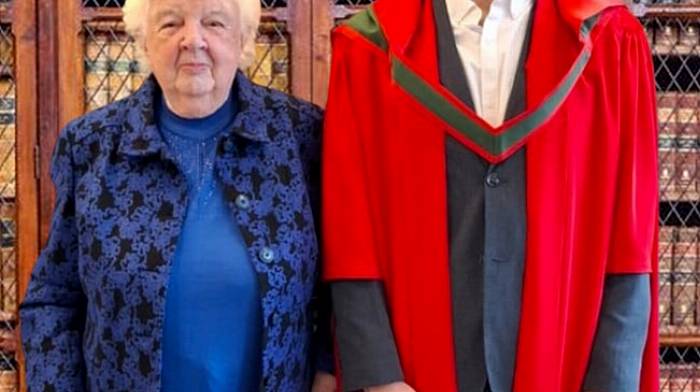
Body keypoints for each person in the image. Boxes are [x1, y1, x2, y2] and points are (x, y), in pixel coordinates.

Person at [322, 0, 658, 391]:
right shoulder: (369, 46)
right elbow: (350, 231)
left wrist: (612, 382)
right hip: (415, 370)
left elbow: (630, 238)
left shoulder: (611, 39)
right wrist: (380, 378)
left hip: (565, 365)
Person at [20, 0, 335, 390]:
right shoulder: (91, 144)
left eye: (215, 23)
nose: (193, 40)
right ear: (144, 40)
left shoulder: (301, 136)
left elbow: (341, 287)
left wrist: (328, 376)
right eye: (170, 23)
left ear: (244, 40)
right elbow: (54, 298)